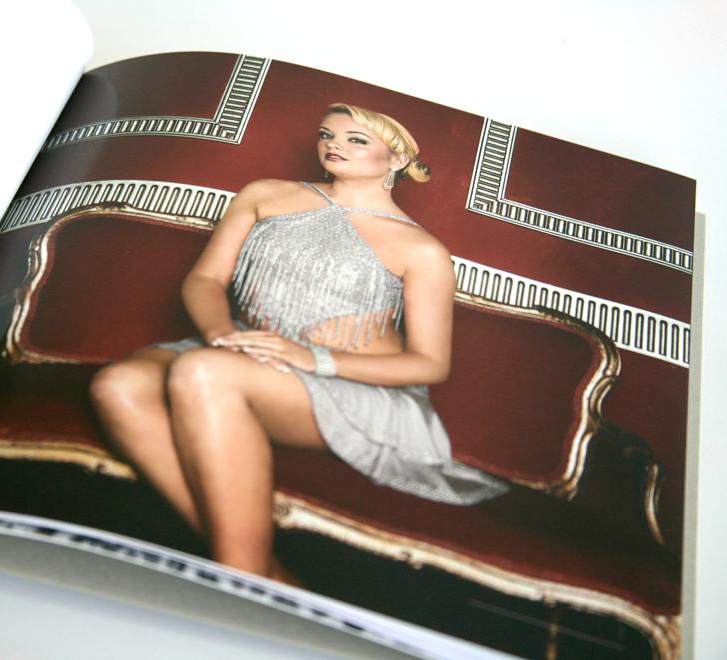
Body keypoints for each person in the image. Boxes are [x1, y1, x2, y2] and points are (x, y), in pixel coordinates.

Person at [89, 103, 506, 581]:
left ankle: (238, 581)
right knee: (118, 385)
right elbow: (205, 279)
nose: (334, 145)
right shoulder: (265, 195)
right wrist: (221, 332)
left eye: (356, 140)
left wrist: (313, 358)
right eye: (327, 134)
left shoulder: (422, 250)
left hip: (355, 388)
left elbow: (430, 364)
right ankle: (262, 576)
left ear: (396, 159)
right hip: (246, 352)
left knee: (203, 372)